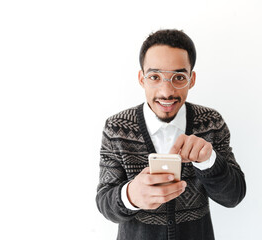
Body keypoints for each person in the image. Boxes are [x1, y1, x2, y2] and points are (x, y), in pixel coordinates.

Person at [96, 29, 246, 240]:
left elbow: (233, 196)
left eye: (178, 77)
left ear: (191, 80)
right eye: (155, 76)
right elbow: (104, 202)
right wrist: (130, 195)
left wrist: (209, 162)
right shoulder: (117, 127)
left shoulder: (211, 123)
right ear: (142, 78)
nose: (166, 91)